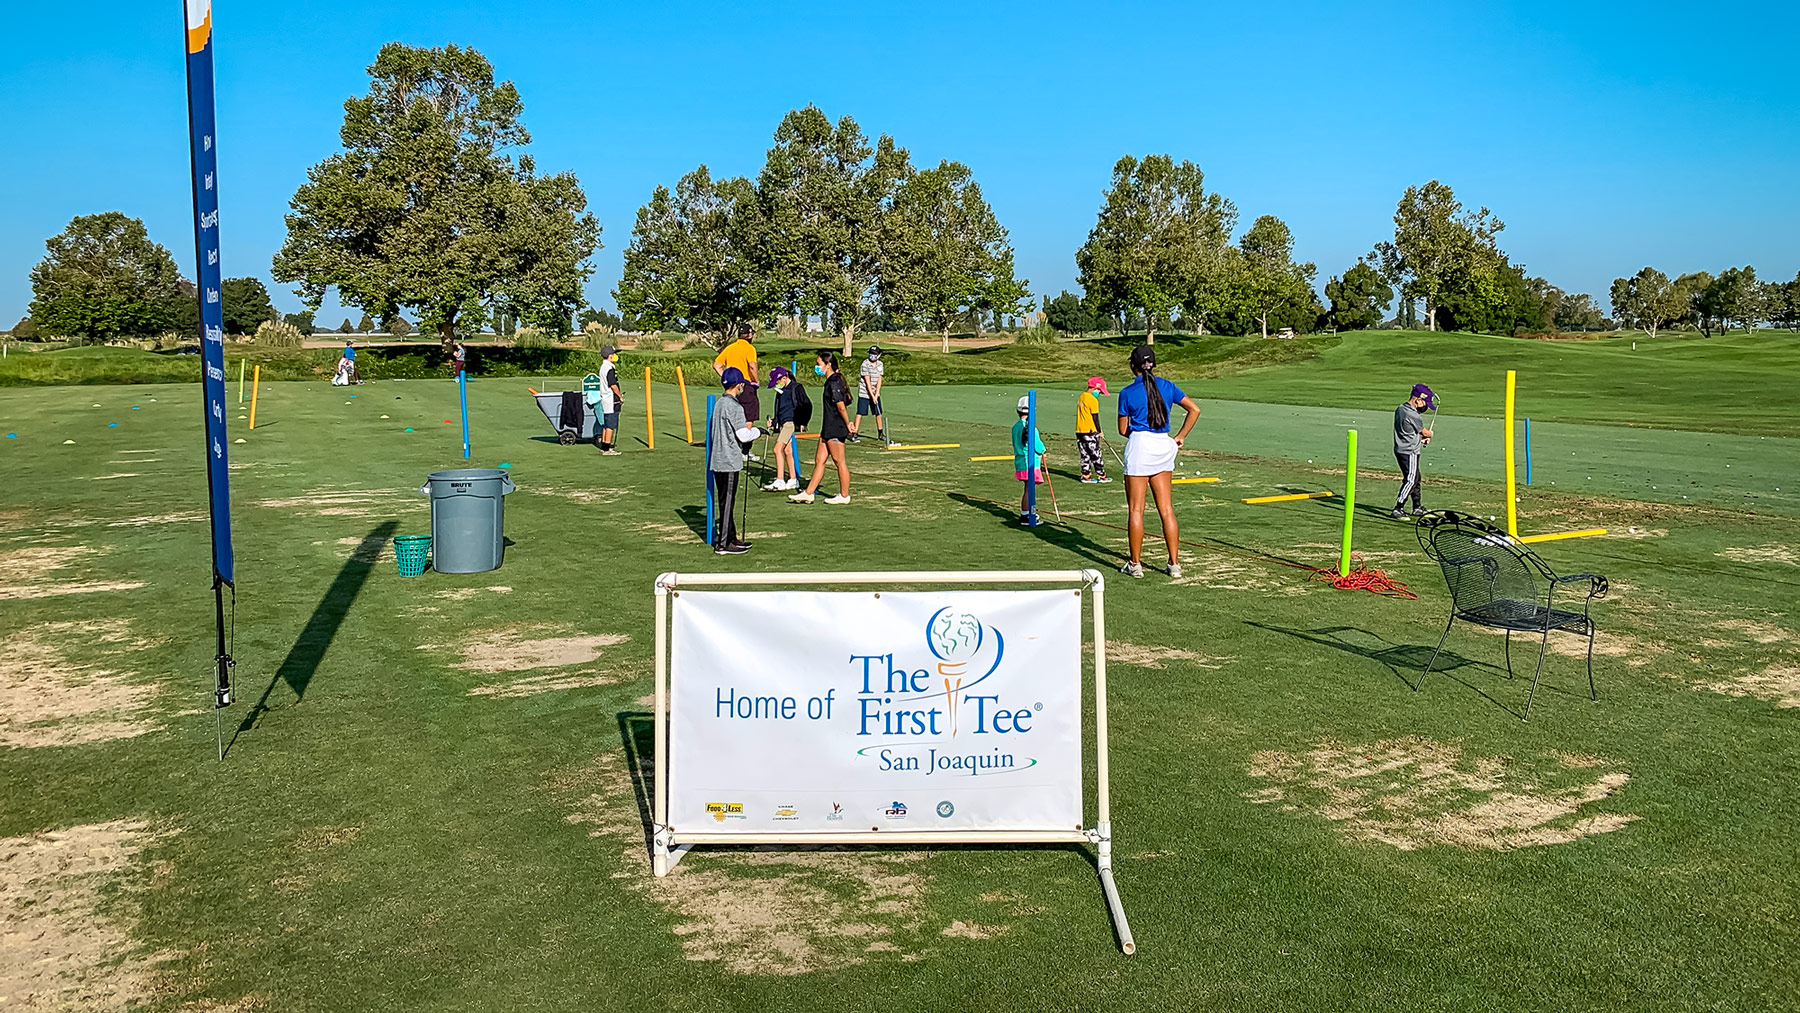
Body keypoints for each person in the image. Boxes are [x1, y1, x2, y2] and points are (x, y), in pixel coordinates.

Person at [1116, 345, 1199, 579]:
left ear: (1133, 366)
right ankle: (1174, 564)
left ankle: (1135, 564)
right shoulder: (1167, 385)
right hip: (1164, 445)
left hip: (1140, 445)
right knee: (1166, 509)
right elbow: (1194, 410)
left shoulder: (1127, 392)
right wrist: (1180, 437)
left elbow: (1123, 429)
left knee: (1136, 509)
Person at [789, 350, 852, 505]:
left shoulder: (834, 382)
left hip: (835, 427)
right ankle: (808, 493)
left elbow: (841, 406)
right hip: (827, 428)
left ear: (828, 365)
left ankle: (844, 495)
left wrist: (848, 424)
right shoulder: (830, 381)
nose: (817, 367)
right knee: (819, 460)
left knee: (839, 461)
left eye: (819, 364)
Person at [710, 368, 762, 554]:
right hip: (729, 460)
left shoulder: (720, 404)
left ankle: (731, 537)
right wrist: (758, 431)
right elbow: (744, 435)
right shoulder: (735, 407)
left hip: (718, 459)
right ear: (739, 384)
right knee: (727, 503)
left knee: (726, 501)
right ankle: (723, 544)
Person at [714, 322, 760, 457]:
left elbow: (716, 365)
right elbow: (752, 366)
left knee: (734, 414)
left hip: (731, 386)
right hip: (746, 384)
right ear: (750, 335)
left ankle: (737, 448)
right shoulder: (749, 348)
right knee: (749, 416)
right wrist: (756, 380)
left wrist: (726, 377)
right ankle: (744, 450)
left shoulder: (730, 348)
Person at [1392, 383, 1435, 518]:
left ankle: (1417, 507)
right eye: (1425, 403)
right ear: (1418, 400)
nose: (1425, 407)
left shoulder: (1400, 409)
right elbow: (1425, 432)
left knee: (1416, 478)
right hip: (1409, 451)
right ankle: (1398, 508)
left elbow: (1409, 431)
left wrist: (1420, 439)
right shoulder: (1413, 415)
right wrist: (1429, 435)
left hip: (1402, 448)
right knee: (1411, 480)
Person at [762, 365, 800, 491]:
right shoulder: (781, 392)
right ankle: (793, 479)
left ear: (784, 378)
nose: (776, 384)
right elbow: (781, 411)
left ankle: (780, 480)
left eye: (777, 381)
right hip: (783, 423)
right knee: (787, 451)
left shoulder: (793, 389)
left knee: (777, 449)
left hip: (789, 424)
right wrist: (773, 422)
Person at [1012, 396, 1048, 523]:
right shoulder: (1030, 428)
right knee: (1029, 489)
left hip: (1020, 461)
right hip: (1029, 462)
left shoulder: (1015, 426)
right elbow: (1037, 445)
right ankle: (1027, 514)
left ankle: (1025, 513)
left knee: (1027, 488)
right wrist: (1043, 449)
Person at [1076, 376, 1111, 484]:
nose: (1099, 394)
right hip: (1090, 431)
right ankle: (1101, 475)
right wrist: (1099, 431)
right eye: (1099, 391)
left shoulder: (1082, 396)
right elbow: (1095, 417)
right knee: (1095, 454)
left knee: (1085, 454)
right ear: (1095, 388)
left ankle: (1085, 475)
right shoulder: (1092, 400)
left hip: (1080, 430)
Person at [850, 344, 886, 444]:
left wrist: (876, 394)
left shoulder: (880, 364)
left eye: (874, 354)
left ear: (879, 355)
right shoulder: (865, 364)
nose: (872, 356)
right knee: (860, 412)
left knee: (878, 413)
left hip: (875, 392)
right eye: (871, 353)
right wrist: (871, 395)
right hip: (864, 392)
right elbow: (867, 381)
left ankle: (880, 433)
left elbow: (879, 379)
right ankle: (855, 434)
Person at [595, 345, 624, 455]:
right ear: (610, 356)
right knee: (611, 425)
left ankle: (604, 446)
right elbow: (613, 385)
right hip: (611, 399)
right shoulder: (609, 368)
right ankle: (607, 449)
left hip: (605, 398)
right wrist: (620, 396)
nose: (615, 356)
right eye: (614, 354)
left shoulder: (603, 367)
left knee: (606, 424)